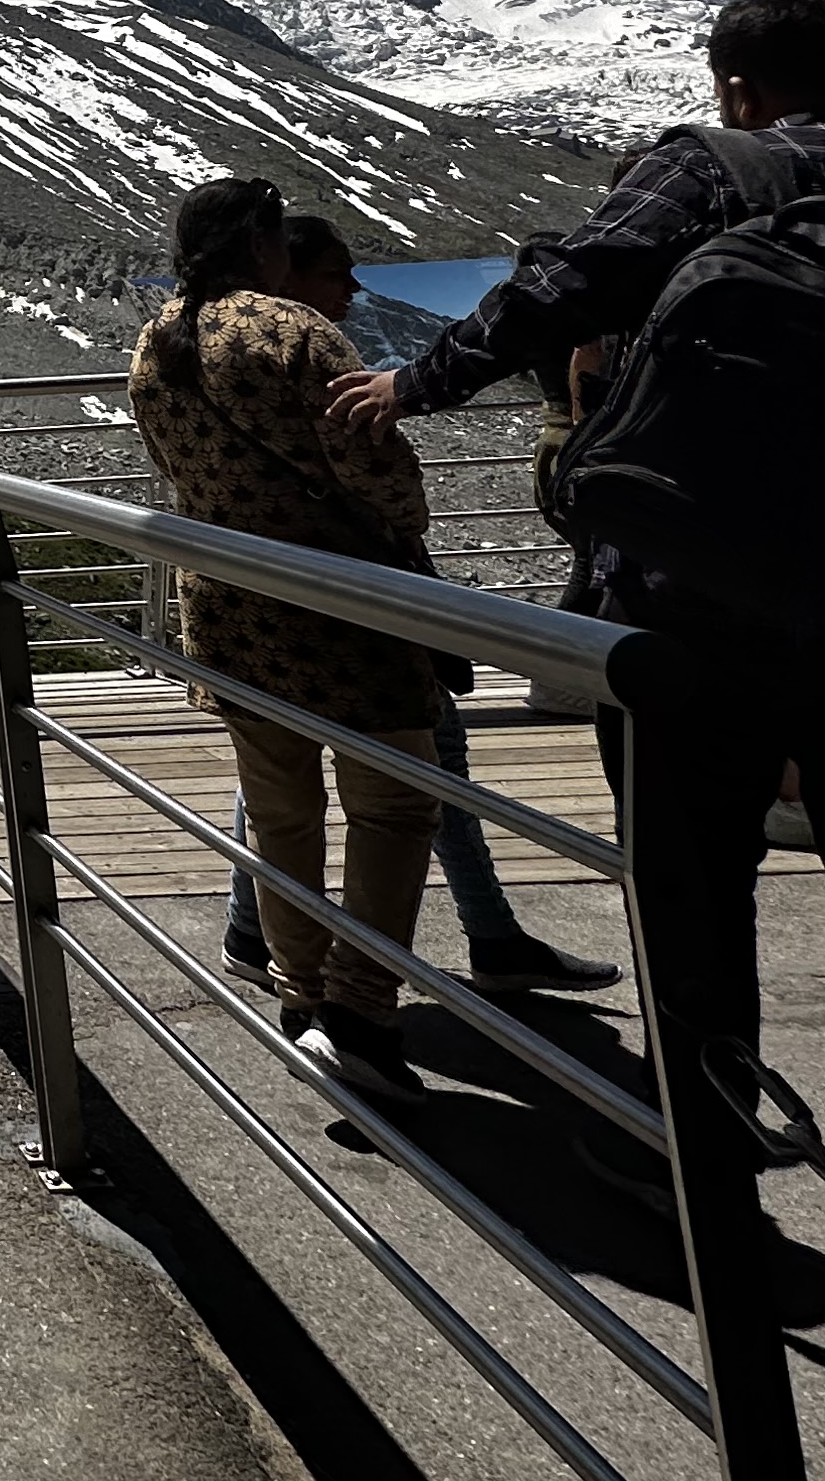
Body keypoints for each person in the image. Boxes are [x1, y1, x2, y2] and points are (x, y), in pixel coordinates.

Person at [329, 0, 825, 1292]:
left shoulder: (713, 170)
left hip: (696, 614)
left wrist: (413, 384)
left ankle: (690, 1157)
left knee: (692, 897)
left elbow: (560, 286)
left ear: (737, 88)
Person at [210, 214, 621, 999]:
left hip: (281, 599)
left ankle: (256, 931)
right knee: (423, 760)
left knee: (283, 768)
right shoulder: (307, 354)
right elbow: (385, 483)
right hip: (360, 589)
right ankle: (468, 945)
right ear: (289, 277)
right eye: (335, 274)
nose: (352, 289)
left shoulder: (225, 354)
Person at [126, 176, 447, 1109]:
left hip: (232, 608)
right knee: (394, 805)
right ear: (264, 247)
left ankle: (299, 993)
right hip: (343, 604)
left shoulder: (157, 338)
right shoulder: (293, 331)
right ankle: (361, 1008)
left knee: (281, 813)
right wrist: (403, 529)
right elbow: (372, 459)